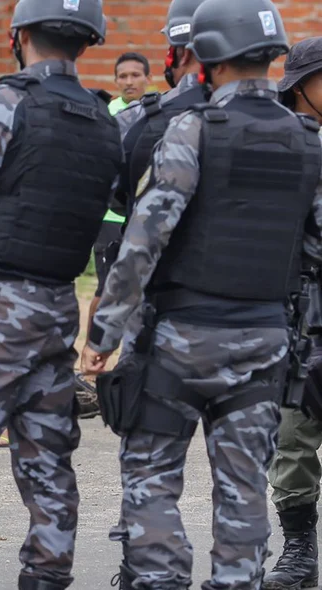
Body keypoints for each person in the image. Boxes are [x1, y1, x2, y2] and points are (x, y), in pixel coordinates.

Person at [82, 0, 322, 587]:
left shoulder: (193, 127)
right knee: (243, 488)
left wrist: (103, 333)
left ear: (207, 59)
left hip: (182, 338)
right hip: (265, 341)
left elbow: (146, 236)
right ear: (272, 57)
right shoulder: (308, 140)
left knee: (153, 479)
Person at [0, 0, 119, 586]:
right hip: (58, 305)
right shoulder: (104, 119)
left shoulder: (6, 102)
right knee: (48, 459)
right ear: (88, 40)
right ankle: (47, 576)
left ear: (18, 34)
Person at [82, 0, 207, 429]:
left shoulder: (143, 123)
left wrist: (104, 335)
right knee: (243, 479)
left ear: (176, 54)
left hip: (159, 311)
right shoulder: (286, 127)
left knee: (150, 466)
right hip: (251, 324)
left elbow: (130, 220)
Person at [264, 35, 322, 590]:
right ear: (301, 85)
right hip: (301, 315)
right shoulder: (283, 144)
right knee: (293, 439)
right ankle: (301, 549)